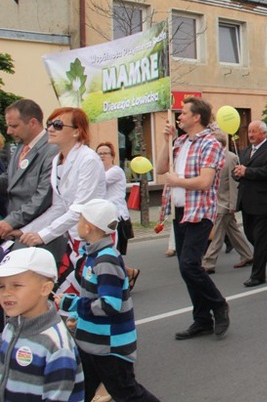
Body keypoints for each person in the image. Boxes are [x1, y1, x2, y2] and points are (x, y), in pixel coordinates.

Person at [58, 199, 159, 401]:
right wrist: (78, 315)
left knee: (127, 392)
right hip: (92, 341)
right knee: (80, 391)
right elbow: (91, 296)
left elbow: (110, 304)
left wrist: (72, 304)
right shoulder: (93, 255)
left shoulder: (105, 260)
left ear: (88, 227)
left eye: (80, 219)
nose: (77, 223)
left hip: (110, 347)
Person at [156, 96, 229, 340]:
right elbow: (160, 168)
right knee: (186, 268)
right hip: (180, 212)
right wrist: (166, 141)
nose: (179, 116)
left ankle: (218, 304)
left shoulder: (210, 143)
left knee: (189, 264)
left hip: (199, 212)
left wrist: (177, 182)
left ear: (196, 117)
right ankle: (202, 320)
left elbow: (205, 182)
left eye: (184, 113)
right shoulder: (179, 142)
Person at [13, 107, 106, 296]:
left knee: (92, 295)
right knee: (70, 296)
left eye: (57, 125)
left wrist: (43, 235)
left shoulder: (89, 159)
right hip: (73, 238)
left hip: (94, 237)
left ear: (76, 131)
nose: (50, 129)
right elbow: (58, 207)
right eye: (49, 124)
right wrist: (25, 231)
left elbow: (79, 209)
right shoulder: (58, 160)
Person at [0, 247, 84, 401]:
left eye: (16, 285)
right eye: (1, 286)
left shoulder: (56, 345)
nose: (6, 293)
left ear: (45, 288)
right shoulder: (10, 327)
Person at [231, 120, 267, 288]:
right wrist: (238, 173)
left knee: (261, 239)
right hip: (247, 201)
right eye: (249, 132)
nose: (251, 135)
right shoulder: (246, 151)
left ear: (263, 133)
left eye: (254, 132)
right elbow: (239, 173)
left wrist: (247, 171)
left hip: (264, 202)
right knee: (250, 235)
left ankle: (258, 275)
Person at [0, 99, 58, 247]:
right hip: (15, 233)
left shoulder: (52, 150)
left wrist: (10, 221)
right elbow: (10, 180)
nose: (9, 131)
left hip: (38, 236)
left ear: (32, 123)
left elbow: (43, 196)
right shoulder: (21, 147)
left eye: (14, 126)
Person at [201, 130, 255, 275]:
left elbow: (234, 182)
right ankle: (248, 255)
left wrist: (233, 204)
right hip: (215, 201)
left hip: (225, 203)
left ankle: (208, 263)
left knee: (217, 233)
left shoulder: (231, 158)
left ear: (220, 144)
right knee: (233, 230)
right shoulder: (212, 158)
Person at [96, 141, 142, 291]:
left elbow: (99, 182)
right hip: (102, 218)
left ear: (112, 156)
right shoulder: (98, 172)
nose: (102, 156)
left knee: (111, 252)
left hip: (116, 217)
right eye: (99, 153)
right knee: (107, 252)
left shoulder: (116, 171)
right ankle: (129, 273)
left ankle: (120, 280)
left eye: (105, 153)